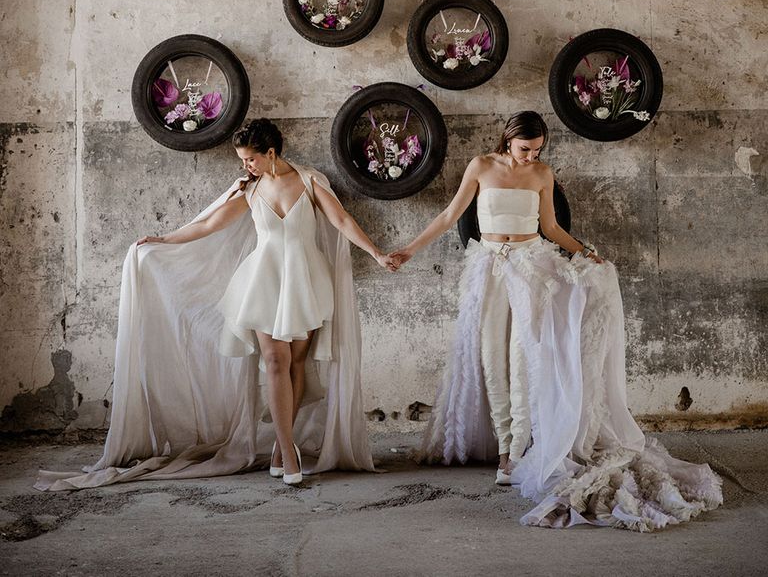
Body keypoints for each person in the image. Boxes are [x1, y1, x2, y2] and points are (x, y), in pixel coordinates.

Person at [390, 111, 722, 531]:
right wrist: (408, 250)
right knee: (492, 360)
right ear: (508, 141)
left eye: (538, 150)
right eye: (525, 148)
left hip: (531, 267)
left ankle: (513, 455)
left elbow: (549, 226)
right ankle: (502, 447)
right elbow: (448, 217)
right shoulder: (481, 167)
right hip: (488, 268)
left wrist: (584, 252)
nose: (531, 156)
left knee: (524, 360)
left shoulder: (542, 174)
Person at [37, 118, 391, 491]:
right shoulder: (250, 191)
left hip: (306, 282)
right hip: (264, 283)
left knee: (297, 365)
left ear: (271, 153)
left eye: (250, 159)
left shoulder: (309, 182)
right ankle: (287, 452)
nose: (245, 167)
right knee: (275, 361)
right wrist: (164, 239)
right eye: (242, 160)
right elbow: (208, 225)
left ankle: (281, 446)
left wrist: (377, 253)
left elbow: (341, 219)